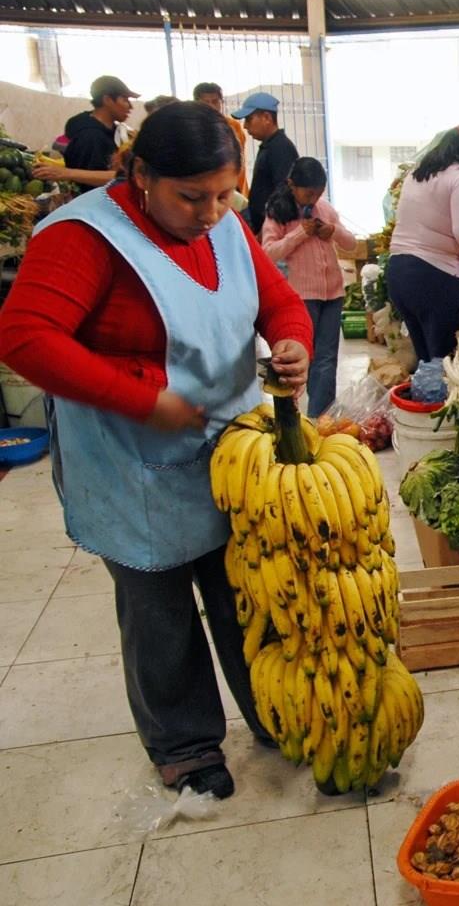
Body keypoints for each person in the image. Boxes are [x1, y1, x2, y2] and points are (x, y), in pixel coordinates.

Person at [0, 102, 314, 800]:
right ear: (141, 173)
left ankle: (273, 712)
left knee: (245, 596)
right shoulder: (84, 238)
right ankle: (186, 746)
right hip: (133, 462)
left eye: (223, 194)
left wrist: (293, 342)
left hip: (229, 455)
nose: (211, 213)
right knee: (161, 613)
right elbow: (25, 337)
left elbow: (278, 303)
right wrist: (143, 398)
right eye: (191, 197)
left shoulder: (225, 227)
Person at [387, 125, 459, 361]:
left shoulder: (418, 174)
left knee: (427, 362)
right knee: (446, 362)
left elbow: (437, 218)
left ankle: (426, 386)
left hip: (399, 273)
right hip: (435, 278)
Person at [262, 157, 355, 416]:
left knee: (327, 358)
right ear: (292, 185)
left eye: (318, 193)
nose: (313, 199)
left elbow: (351, 244)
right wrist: (300, 233)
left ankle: (322, 416)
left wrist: (333, 231)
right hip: (301, 297)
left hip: (333, 294)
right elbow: (268, 253)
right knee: (309, 356)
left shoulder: (324, 209)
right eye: (308, 193)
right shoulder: (278, 213)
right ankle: (304, 416)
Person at [32, 75, 139, 190]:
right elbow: (97, 183)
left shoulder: (112, 130)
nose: (130, 106)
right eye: (125, 100)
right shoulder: (91, 137)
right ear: (107, 100)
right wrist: (65, 173)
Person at [232, 91, 297, 235]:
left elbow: (284, 194)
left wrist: (265, 232)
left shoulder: (280, 148)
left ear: (267, 117)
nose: (245, 126)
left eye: (249, 119)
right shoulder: (270, 146)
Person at [194, 81, 248, 196]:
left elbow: (239, 161)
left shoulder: (233, 126)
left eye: (215, 101)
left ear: (221, 102)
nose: (211, 106)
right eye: (206, 102)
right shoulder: (191, 128)